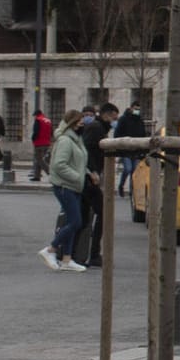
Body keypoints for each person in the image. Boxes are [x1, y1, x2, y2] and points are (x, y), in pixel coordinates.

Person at [38, 111, 89, 272]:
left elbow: (78, 162)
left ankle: (67, 259)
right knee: (75, 222)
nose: (83, 124)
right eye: (81, 122)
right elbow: (59, 165)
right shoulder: (66, 141)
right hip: (65, 186)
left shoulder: (76, 139)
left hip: (73, 186)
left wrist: (87, 173)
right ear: (73, 123)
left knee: (70, 222)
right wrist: (77, 176)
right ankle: (51, 249)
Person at [77, 104, 118, 267]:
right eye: (114, 118)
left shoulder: (99, 127)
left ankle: (78, 253)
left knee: (85, 216)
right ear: (106, 115)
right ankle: (92, 254)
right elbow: (85, 151)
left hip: (89, 177)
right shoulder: (96, 128)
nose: (115, 122)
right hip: (89, 178)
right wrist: (92, 172)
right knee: (102, 213)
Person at [114, 102, 148, 197]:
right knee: (128, 169)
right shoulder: (123, 119)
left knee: (135, 171)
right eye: (135, 109)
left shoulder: (140, 120)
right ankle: (121, 185)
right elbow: (117, 133)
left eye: (138, 109)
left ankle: (132, 191)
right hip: (126, 150)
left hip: (137, 150)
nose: (137, 111)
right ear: (131, 108)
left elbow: (143, 135)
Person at [31, 107, 54, 178]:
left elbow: (36, 131)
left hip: (39, 142)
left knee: (39, 159)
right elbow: (51, 131)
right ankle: (36, 176)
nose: (34, 117)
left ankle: (50, 172)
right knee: (39, 159)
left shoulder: (38, 120)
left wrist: (33, 139)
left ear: (36, 115)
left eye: (34, 115)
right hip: (47, 142)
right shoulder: (48, 120)